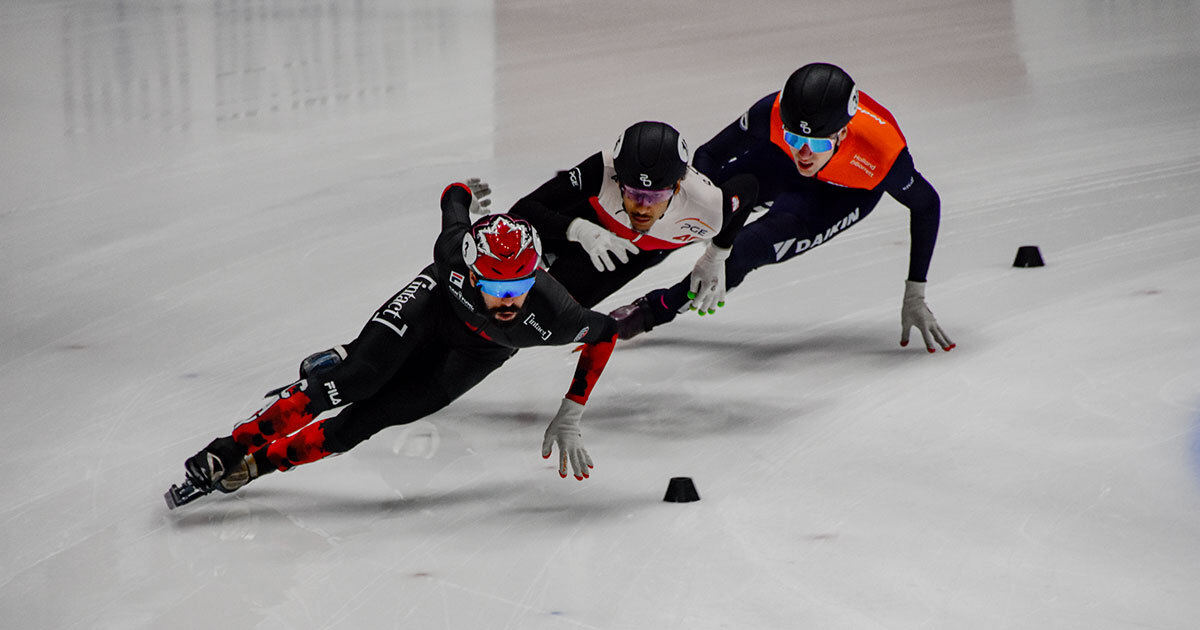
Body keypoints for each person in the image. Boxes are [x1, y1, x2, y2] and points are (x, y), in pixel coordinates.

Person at [168, 182, 619, 509]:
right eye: (495, 286)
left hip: (478, 353)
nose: (507, 300)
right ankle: (227, 448)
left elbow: (607, 332)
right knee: (356, 380)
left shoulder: (556, 314)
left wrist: (571, 411)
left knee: (365, 421)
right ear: (471, 271)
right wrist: (466, 190)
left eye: (518, 285)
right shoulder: (452, 254)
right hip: (434, 307)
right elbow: (453, 196)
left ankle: (257, 467)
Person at [612, 63, 955, 353]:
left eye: (816, 143)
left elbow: (927, 205)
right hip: (778, 164)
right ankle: (596, 263)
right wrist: (699, 211)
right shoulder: (772, 114)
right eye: (795, 137)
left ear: (843, 132)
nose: (805, 152)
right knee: (691, 206)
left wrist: (915, 293)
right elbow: (709, 156)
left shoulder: (882, 155)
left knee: (745, 250)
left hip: (841, 194)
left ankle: (651, 312)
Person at [505, 120, 758, 313]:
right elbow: (522, 212)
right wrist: (578, 229)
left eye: (655, 197)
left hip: (629, 253)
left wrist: (716, 256)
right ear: (619, 180)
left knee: (541, 311)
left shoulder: (707, 206)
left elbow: (749, 188)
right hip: (587, 216)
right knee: (507, 248)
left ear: (677, 188)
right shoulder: (603, 170)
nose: (642, 207)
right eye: (634, 193)